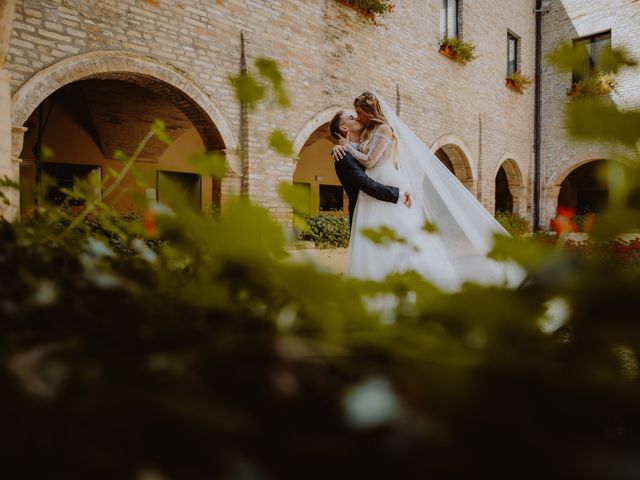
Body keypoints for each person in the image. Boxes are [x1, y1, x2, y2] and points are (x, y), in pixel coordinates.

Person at [332, 92, 524, 289]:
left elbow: (370, 161)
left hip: (386, 185)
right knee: (382, 242)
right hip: (375, 192)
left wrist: (347, 147)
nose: (358, 117)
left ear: (370, 111)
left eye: (359, 112)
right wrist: (342, 146)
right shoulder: (358, 140)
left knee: (402, 233)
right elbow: (363, 172)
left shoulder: (383, 129)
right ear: (344, 127)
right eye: (354, 115)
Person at [328, 110, 410, 227]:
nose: (357, 118)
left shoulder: (368, 146)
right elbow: (366, 184)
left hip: (384, 210)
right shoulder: (343, 156)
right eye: (352, 117)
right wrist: (399, 195)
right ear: (344, 127)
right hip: (364, 215)